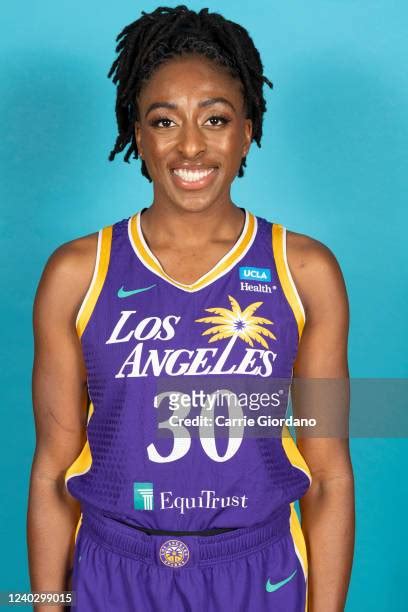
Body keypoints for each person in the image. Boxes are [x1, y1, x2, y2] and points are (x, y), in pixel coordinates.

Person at [27, 5, 354, 611]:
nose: (192, 146)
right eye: (164, 120)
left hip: (259, 573)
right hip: (111, 571)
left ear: (248, 128)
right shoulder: (76, 274)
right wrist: (41, 604)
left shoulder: (306, 273)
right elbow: (52, 469)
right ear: (138, 132)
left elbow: (329, 471)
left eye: (216, 118)